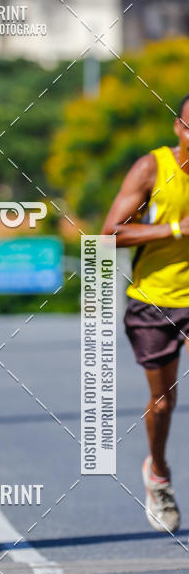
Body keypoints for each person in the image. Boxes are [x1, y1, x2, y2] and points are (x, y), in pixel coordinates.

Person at [101, 94, 189, 533]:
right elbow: (108, 233)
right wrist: (175, 229)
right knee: (163, 402)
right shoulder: (152, 168)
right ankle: (158, 470)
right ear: (179, 127)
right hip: (154, 300)